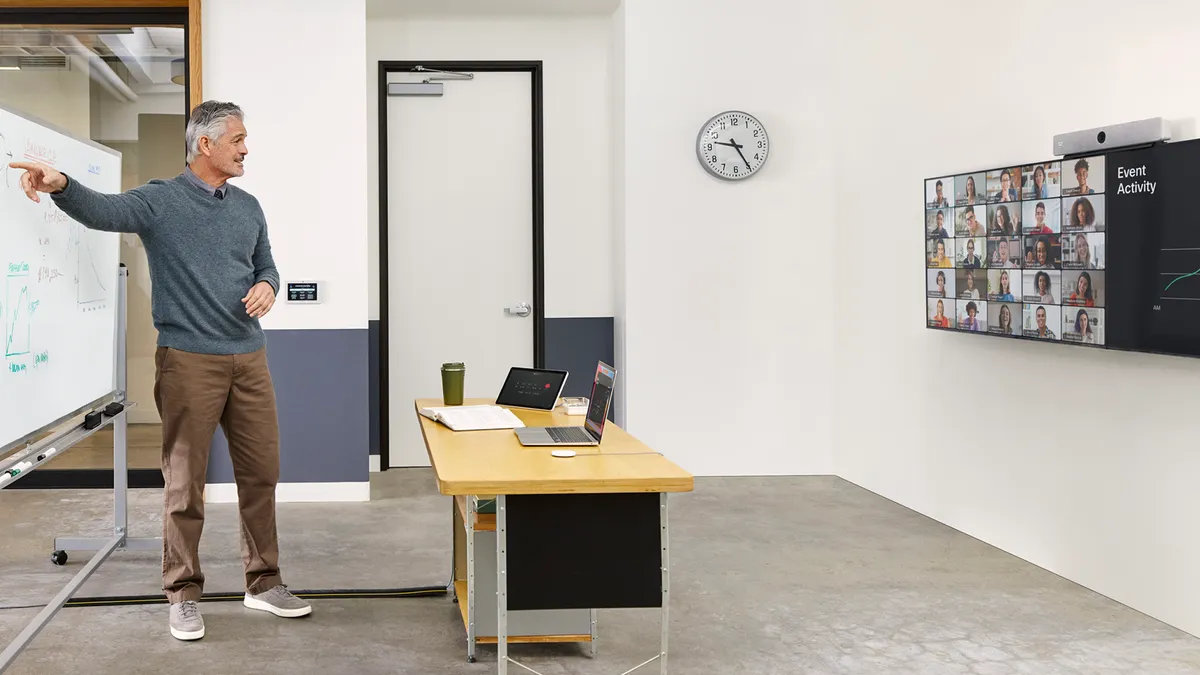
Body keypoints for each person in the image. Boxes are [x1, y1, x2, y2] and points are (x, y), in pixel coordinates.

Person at [10, 101, 311, 641]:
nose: (247, 149)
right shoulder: (160, 200)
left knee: (261, 473)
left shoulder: (249, 207)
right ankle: (182, 593)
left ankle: (263, 583)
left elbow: (266, 264)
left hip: (250, 357)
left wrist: (269, 285)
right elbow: (104, 211)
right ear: (206, 145)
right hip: (188, 359)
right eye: (238, 139)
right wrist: (61, 185)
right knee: (184, 485)